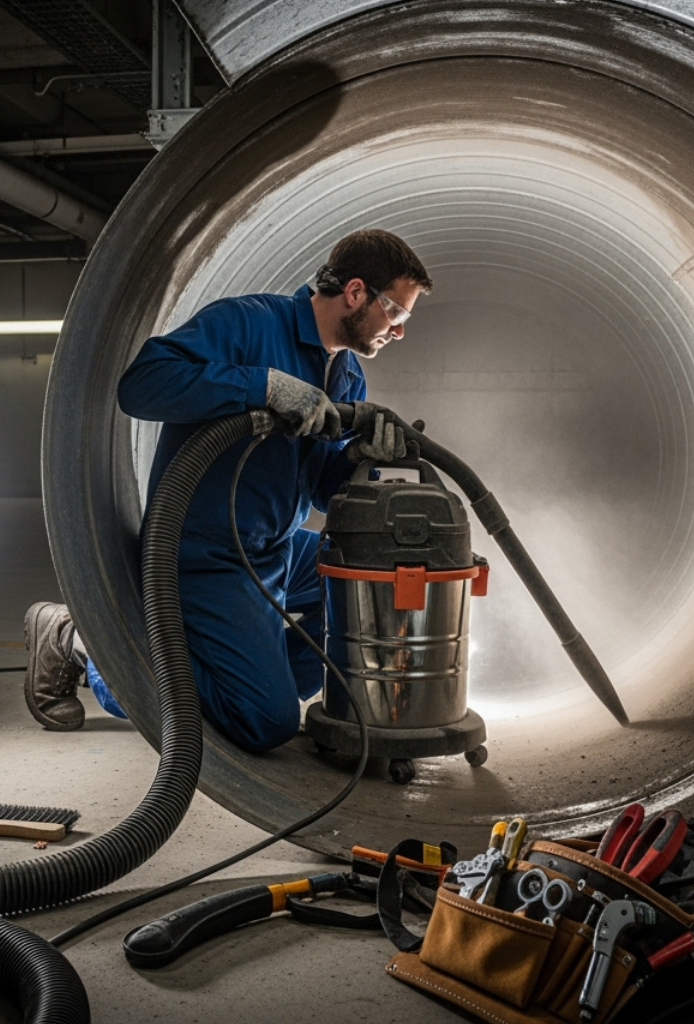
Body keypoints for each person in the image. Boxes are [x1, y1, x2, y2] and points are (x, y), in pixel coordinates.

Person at [24, 229, 433, 748]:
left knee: (370, 584)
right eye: (396, 313)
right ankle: (88, 645)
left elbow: (317, 492)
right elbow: (141, 385)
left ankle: (250, 678)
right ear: (356, 292)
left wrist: (357, 459)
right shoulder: (248, 323)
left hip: (273, 547)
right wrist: (257, 386)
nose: (398, 331)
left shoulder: (347, 375)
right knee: (264, 722)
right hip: (206, 552)